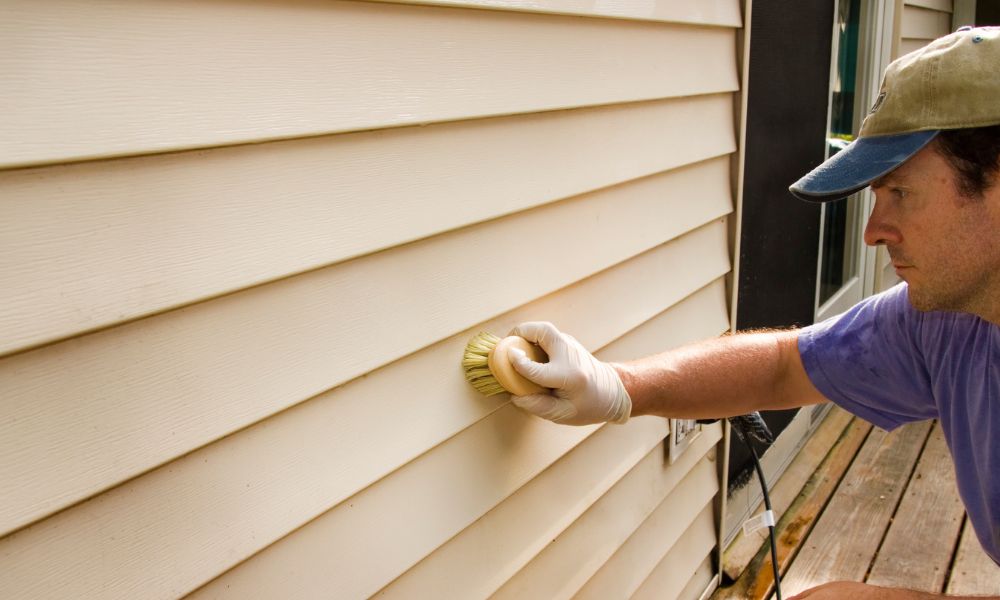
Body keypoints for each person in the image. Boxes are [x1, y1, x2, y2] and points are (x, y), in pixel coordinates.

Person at [505, 26, 1000, 600]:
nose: (871, 233)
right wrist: (619, 387)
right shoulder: (947, 323)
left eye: (899, 193)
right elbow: (782, 366)